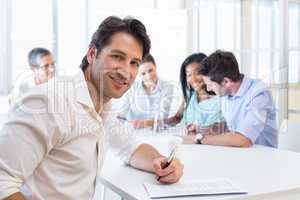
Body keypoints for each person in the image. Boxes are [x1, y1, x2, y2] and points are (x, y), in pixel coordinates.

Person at [0, 16, 183, 200]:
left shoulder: (105, 105)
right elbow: (3, 183)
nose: (126, 71)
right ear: (92, 54)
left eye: (134, 63)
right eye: (117, 57)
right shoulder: (49, 102)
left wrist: (160, 162)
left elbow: (130, 148)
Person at [183, 50, 277, 148]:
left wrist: (199, 138)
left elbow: (244, 140)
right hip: (239, 154)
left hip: (262, 157)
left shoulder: (258, 95)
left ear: (226, 81)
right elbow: (233, 127)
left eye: (210, 84)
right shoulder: (226, 92)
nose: (208, 89)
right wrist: (204, 130)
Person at [164, 53, 225, 132]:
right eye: (189, 75)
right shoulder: (190, 95)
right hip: (182, 138)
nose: (193, 79)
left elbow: (214, 130)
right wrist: (156, 123)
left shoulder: (219, 100)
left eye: (198, 73)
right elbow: (177, 118)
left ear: (208, 72)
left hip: (201, 141)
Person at [117, 54, 174, 129]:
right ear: (138, 74)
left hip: (157, 133)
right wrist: (126, 125)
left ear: (155, 66)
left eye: (150, 70)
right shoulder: (131, 88)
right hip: (134, 134)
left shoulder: (167, 87)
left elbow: (162, 118)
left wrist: (144, 123)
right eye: (143, 73)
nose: (148, 76)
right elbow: (121, 116)